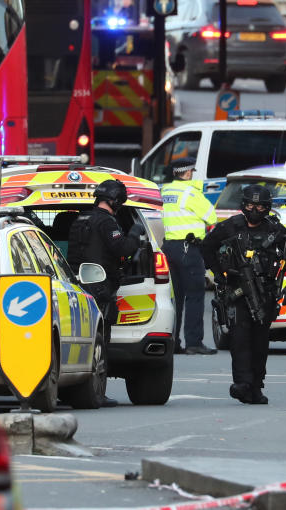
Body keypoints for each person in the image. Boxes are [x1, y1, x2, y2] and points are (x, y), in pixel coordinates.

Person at [203, 185, 286, 404]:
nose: (254, 209)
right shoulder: (230, 227)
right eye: (250, 205)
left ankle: (255, 386)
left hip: (265, 294)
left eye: (259, 206)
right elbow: (207, 247)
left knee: (260, 342)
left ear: (267, 208)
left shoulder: (276, 231)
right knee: (239, 339)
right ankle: (243, 383)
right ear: (243, 205)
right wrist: (219, 274)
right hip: (237, 291)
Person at [67, 178, 145, 407]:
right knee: (100, 342)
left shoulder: (78, 221)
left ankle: (79, 390)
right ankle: (97, 393)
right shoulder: (107, 223)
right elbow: (122, 249)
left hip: (77, 286)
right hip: (100, 287)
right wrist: (134, 234)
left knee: (83, 339)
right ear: (116, 200)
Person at [160, 157, 218, 354]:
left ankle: (173, 341)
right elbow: (212, 217)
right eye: (192, 171)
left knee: (174, 297)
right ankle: (193, 343)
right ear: (187, 173)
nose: (193, 174)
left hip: (169, 248)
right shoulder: (191, 193)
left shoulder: (165, 191)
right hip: (189, 249)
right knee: (194, 296)